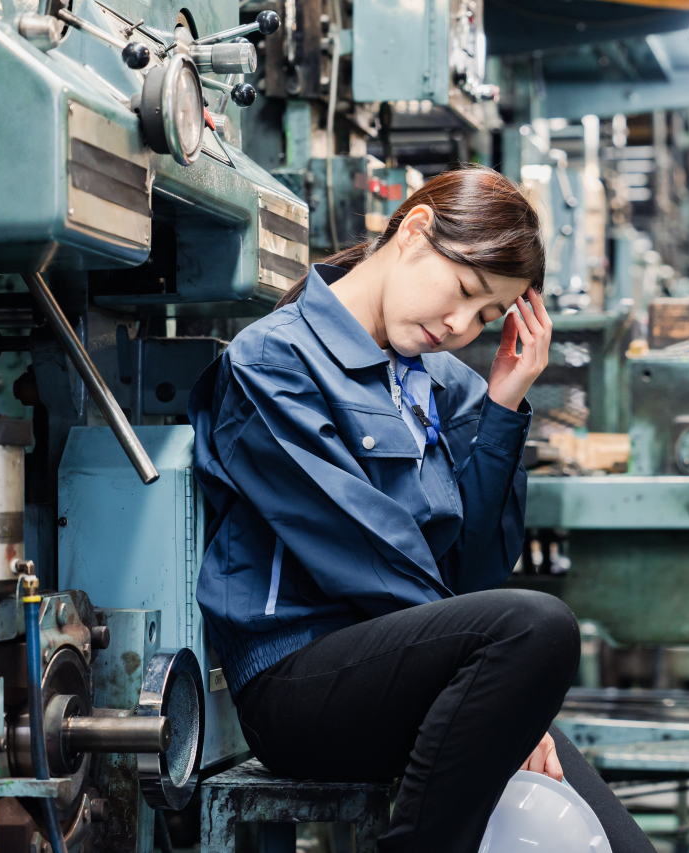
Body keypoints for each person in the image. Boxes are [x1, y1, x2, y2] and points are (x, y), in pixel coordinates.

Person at [188, 166, 655, 853]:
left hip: (417, 682)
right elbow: (365, 555)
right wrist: (517, 697)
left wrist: (501, 410)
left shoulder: (446, 387)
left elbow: (474, 575)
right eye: (465, 291)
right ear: (414, 232)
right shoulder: (275, 361)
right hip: (300, 685)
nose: (461, 325)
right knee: (538, 626)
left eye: (487, 317)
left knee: (618, 844)